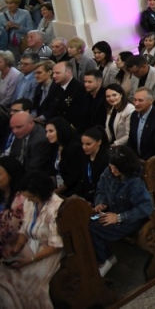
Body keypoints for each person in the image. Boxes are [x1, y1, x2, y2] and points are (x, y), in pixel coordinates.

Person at [0, 171, 63, 308]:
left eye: (31, 197)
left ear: (39, 194)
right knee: (5, 276)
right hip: (31, 246)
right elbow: (25, 230)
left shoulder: (56, 207)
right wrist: (16, 248)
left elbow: (56, 244)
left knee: (29, 288)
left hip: (49, 252)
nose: (28, 200)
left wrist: (31, 259)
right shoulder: (30, 203)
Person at [90, 147, 154, 277]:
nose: (112, 171)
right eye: (111, 167)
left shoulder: (134, 182)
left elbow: (145, 208)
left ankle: (104, 260)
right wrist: (100, 203)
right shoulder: (109, 172)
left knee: (92, 228)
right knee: (86, 222)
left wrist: (118, 217)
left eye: (116, 169)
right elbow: (101, 189)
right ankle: (106, 256)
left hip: (129, 219)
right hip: (111, 211)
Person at [44, 117, 84, 196]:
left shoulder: (74, 148)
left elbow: (73, 177)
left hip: (73, 192)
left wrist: (56, 192)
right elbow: (52, 171)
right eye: (46, 131)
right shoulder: (54, 147)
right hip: (59, 189)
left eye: (51, 131)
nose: (47, 135)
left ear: (60, 130)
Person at [74, 127, 108, 203]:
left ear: (99, 142)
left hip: (101, 200)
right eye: (83, 144)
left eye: (88, 144)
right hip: (86, 196)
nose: (84, 147)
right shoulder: (83, 157)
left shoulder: (106, 160)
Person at [103, 83, 134, 148]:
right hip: (112, 144)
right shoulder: (111, 108)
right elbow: (108, 130)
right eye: (108, 96)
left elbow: (129, 135)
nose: (111, 98)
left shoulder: (129, 109)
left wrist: (113, 145)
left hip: (124, 147)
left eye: (114, 95)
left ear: (121, 95)